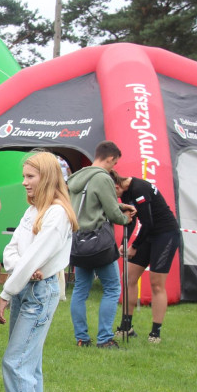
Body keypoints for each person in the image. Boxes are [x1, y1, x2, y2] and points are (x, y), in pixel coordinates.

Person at [0, 152, 78, 392]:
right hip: (27, 287)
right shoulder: (33, 211)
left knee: (16, 364)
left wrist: (6, 293)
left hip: (39, 294)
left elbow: (31, 259)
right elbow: (12, 250)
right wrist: (24, 269)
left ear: (47, 177)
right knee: (28, 365)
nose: (24, 182)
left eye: (30, 176)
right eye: (24, 176)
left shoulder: (56, 215)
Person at [66, 141, 136, 349]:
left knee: (80, 290)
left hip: (78, 240)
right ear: (110, 159)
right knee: (113, 288)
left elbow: (91, 204)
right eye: (115, 163)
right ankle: (105, 338)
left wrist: (119, 204)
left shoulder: (76, 177)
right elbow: (113, 213)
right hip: (99, 242)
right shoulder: (103, 178)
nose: (114, 167)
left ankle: (82, 338)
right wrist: (125, 218)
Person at [111, 171, 181, 344]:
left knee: (157, 283)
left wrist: (134, 247)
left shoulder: (139, 188)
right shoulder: (125, 192)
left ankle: (155, 333)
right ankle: (126, 327)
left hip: (165, 234)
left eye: (114, 194)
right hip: (148, 234)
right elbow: (131, 218)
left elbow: (148, 222)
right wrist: (124, 243)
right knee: (128, 278)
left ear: (117, 186)